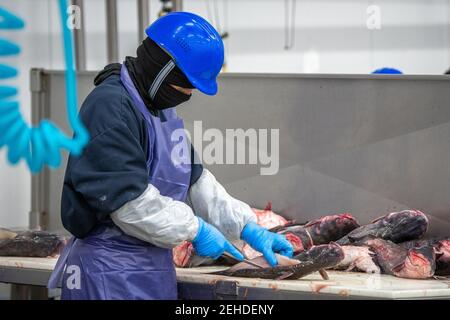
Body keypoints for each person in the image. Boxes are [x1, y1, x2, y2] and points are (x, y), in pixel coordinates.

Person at [48, 12, 293, 300]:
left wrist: (247, 226)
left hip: (152, 272)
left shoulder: (162, 112)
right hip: (108, 275)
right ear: (164, 69)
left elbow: (198, 185)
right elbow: (129, 205)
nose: (189, 92)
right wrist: (196, 229)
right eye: (188, 83)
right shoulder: (111, 108)